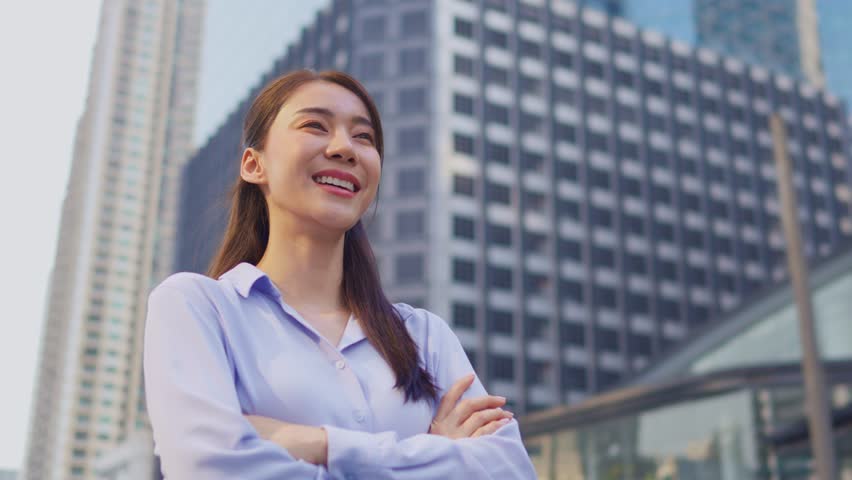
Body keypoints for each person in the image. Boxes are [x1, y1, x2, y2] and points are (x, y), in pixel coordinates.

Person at [143, 69, 538, 479]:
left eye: (363, 137)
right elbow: (208, 468)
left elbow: (508, 470)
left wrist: (315, 443)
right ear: (253, 164)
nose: (345, 148)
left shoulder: (425, 336)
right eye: (315, 125)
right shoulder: (198, 307)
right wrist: (434, 454)